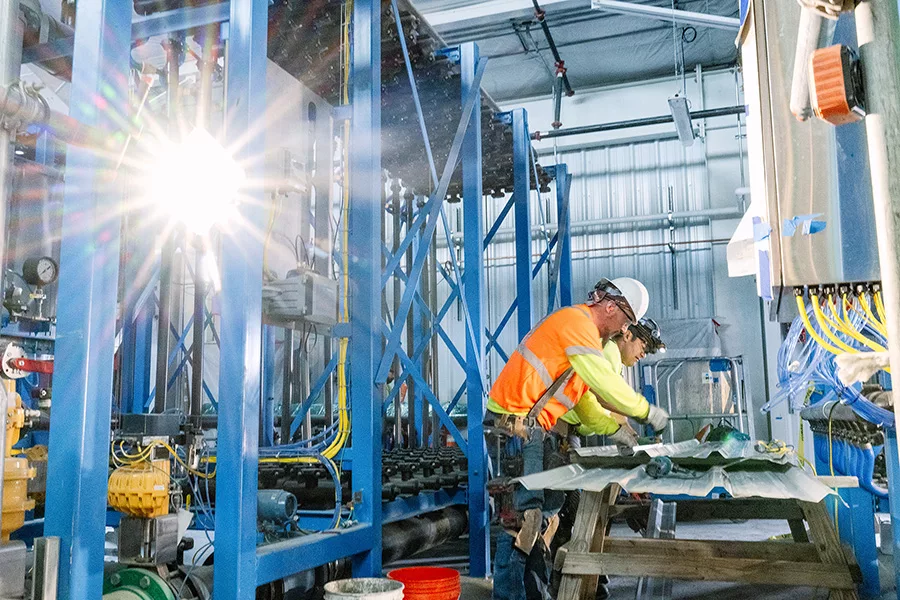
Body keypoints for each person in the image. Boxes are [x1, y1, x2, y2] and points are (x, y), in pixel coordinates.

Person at [484, 278, 670, 600]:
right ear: (611, 307)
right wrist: (645, 411)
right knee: (522, 524)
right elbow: (603, 383)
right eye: (625, 323)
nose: (622, 332)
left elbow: (587, 398)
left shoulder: (588, 340)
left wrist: (617, 431)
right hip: (515, 427)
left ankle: (535, 594)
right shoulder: (576, 324)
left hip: (533, 429)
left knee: (543, 523)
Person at [558, 317, 668, 447]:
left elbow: (612, 405)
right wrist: (646, 412)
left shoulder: (613, 358)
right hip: (558, 425)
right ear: (627, 335)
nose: (643, 355)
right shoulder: (610, 350)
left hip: (568, 430)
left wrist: (633, 437)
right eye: (643, 346)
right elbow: (606, 395)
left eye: (647, 352)